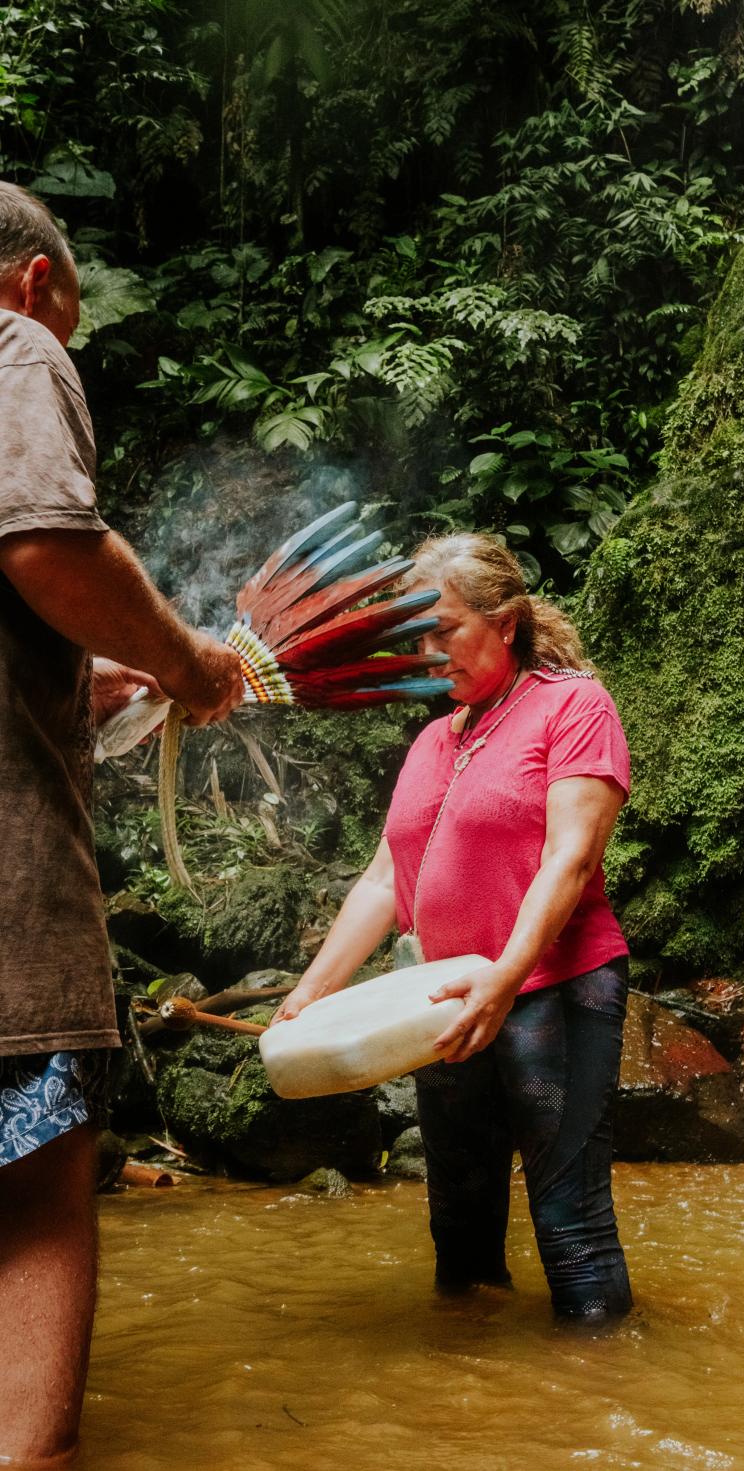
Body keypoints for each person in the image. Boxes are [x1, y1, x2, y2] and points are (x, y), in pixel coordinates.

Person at [0, 181, 244, 1467]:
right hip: (6, 893)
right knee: (36, 1189)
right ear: (38, 281)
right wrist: (191, 661)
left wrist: (88, 679)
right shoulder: (15, 343)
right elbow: (46, 547)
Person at [273, 532, 633, 1319]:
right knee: (459, 1237)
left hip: (553, 989)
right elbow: (381, 882)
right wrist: (309, 993)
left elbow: (570, 862)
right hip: (442, 1000)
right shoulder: (436, 738)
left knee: (571, 1225)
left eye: (447, 630)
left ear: (505, 623)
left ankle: (596, 1418)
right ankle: (472, 1415)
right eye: (418, 639)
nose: (431, 653)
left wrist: (504, 979)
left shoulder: (573, 706)